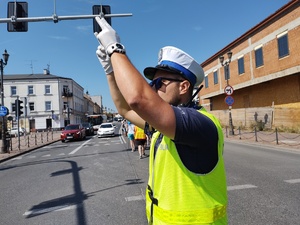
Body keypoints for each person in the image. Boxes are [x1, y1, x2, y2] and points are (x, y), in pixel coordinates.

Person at [94, 16, 227, 225]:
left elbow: (138, 99)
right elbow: (125, 108)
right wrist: (109, 70)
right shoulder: (163, 127)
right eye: (151, 83)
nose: (154, 88)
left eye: (159, 82)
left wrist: (115, 48)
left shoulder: (200, 123)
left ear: (183, 87)